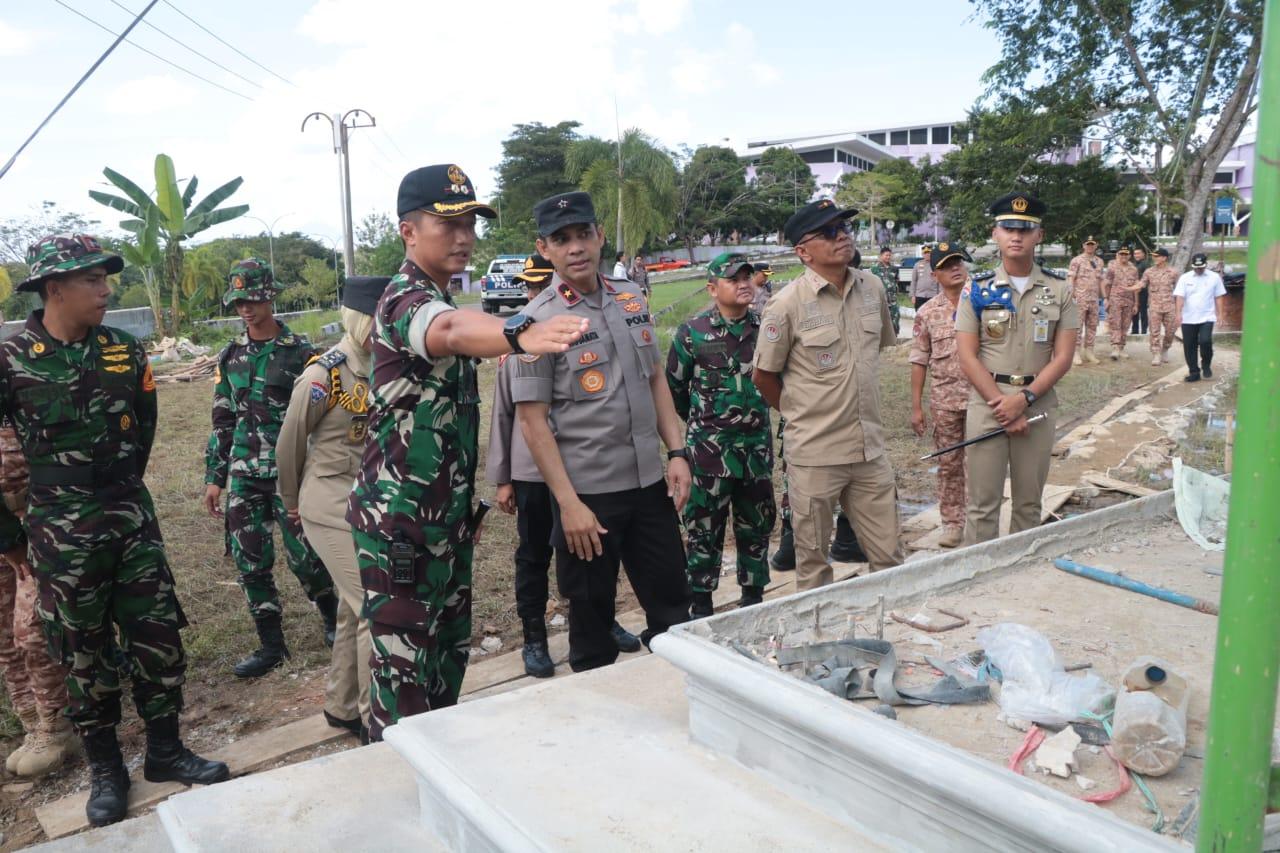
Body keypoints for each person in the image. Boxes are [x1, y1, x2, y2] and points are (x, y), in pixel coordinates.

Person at [348, 165, 587, 742]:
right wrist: (517, 332)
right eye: (447, 222)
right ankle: (408, 800)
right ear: (408, 231)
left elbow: (459, 322)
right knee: (404, 676)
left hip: (442, 522)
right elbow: (451, 330)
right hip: (400, 528)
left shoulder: (439, 293)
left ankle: (442, 781)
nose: (464, 236)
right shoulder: (406, 298)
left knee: (445, 665)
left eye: (471, 223)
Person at [0, 235, 228, 826]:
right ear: (54, 289)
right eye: (92, 281)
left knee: (158, 638)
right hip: (58, 532)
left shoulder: (125, 352)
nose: (106, 290)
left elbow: (143, 430)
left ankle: (165, 750)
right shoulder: (11, 359)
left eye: (106, 279)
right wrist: (12, 538)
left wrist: (118, 491)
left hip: (129, 518)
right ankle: (107, 769)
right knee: (83, 654)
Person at [511, 191, 692, 671]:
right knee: (592, 630)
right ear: (543, 248)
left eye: (584, 234)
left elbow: (655, 379)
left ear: (600, 236)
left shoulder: (629, 298)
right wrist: (568, 505)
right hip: (589, 497)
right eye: (561, 239)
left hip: (649, 485)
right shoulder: (535, 322)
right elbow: (532, 423)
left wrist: (677, 452)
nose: (576, 248)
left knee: (674, 609)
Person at [488, 254, 642, 678]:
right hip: (533, 473)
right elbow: (504, 414)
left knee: (595, 556)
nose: (535, 297)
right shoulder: (519, 343)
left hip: (580, 469)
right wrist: (503, 478)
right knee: (534, 554)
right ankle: (535, 638)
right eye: (530, 290)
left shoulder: (583, 328)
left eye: (541, 287)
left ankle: (601, 622)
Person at [752, 200, 903, 592]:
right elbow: (764, 375)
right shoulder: (785, 305)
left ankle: (886, 634)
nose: (843, 236)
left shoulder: (871, 288)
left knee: (890, 558)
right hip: (816, 455)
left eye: (844, 228)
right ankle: (818, 642)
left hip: (870, 451)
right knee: (814, 566)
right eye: (829, 232)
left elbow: (874, 354)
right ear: (803, 251)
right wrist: (798, 412)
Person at [202, 259, 338, 679]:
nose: (246, 308)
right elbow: (223, 418)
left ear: (271, 297)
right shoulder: (230, 356)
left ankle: (334, 621)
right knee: (250, 562)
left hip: (290, 474)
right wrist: (214, 477)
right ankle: (271, 644)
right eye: (239, 301)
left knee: (306, 557)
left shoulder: (303, 353)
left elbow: (327, 417)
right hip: (244, 474)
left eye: (254, 299)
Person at [276, 276, 390, 743]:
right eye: (382, 319)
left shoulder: (384, 363)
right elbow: (289, 443)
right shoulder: (325, 374)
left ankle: (342, 706)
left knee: (351, 607)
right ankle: (372, 720)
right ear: (363, 319)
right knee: (372, 606)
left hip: (366, 498)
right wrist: (291, 504)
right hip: (327, 502)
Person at [955, 194, 1078, 545]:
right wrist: (1003, 406)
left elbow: (1063, 356)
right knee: (982, 505)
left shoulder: (1059, 290)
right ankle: (976, 580)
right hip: (987, 404)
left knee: (1028, 503)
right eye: (1008, 228)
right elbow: (967, 356)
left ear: (1039, 235)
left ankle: (1019, 577)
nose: (1016, 236)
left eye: (1026, 229)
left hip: (1036, 405)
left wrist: (1022, 401)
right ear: (995, 233)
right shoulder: (976, 290)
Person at [666, 253, 775, 617]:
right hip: (709, 456)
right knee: (703, 532)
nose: (746, 283)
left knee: (756, 527)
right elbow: (675, 391)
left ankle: (753, 599)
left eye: (748, 276)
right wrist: (705, 425)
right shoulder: (692, 333)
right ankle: (701, 604)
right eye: (734, 278)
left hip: (756, 453)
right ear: (713, 289)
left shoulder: (765, 329)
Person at [0, 424, 74, 778]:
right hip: (3, 529)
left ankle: (56, 725)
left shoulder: (16, 375)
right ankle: (32, 724)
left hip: (37, 518)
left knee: (31, 630)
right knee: (4, 636)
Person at [909, 243, 974, 549]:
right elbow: (919, 359)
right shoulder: (927, 313)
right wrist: (916, 408)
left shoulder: (985, 301)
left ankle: (978, 520)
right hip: (945, 400)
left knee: (981, 463)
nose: (955, 268)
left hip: (981, 398)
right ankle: (952, 523)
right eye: (947, 265)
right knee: (949, 463)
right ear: (935, 274)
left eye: (958, 262)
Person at [1174, 252, 1227, 383]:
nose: (1198, 269)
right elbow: (1180, 297)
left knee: (1205, 341)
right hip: (1188, 317)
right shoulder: (1185, 278)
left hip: (1207, 317)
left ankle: (1206, 364)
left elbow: (1219, 297)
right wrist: (1178, 314)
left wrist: (1220, 315)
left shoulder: (1214, 277)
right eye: (1196, 267)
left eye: (1201, 267)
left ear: (1206, 264)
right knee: (1189, 345)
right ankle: (1194, 372)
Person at [1067, 236, 1104, 365]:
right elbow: (1071, 278)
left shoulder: (1099, 261)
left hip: (1094, 299)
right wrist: (1071, 293)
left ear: (1096, 246)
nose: (1090, 246)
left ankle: (1089, 351)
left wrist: (1104, 297)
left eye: (1092, 244)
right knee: (1078, 326)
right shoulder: (1076, 260)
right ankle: (1075, 352)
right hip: (1080, 297)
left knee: (1093, 325)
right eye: (1088, 244)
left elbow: (1100, 280)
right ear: (1083, 246)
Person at [1142, 248, 1179, 366]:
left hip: (1170, 306)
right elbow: (1142, 283)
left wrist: (1180, 309)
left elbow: (1180, 291)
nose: (1154, 258)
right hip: (1154, 306)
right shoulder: (1149, 271)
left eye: (1157, 256)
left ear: (1164, 258)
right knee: (1154, 331)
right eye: (1154, 256)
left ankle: (1165, 349)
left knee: (1171, 331)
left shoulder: (1173, 272)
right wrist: (1130, 288)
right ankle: (1156, 354)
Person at [1102, 246, 1141, 359]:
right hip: (1115, 300)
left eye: (1126, 254)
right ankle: (1115, 348)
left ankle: (1121, 348)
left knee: (1125, 325)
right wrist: (1106, 299)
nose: (1124, 256)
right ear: (1118, 255)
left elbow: (1136, 287)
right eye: (1121, 254)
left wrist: (1136, 303)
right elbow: (1106, 284)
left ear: (1129, 256)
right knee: (1115, 324)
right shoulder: (1112, 268)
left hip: (1129, 301)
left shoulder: (1133, 269)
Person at [869, 245, 900, 336]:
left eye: (889, 255)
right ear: (881, 256)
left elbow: (896, 281)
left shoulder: (894, 269)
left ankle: (894, 337)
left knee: (895, 318)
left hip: (892, 299)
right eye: (886, 255)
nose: (888, 257)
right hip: (880, 299)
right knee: (880, 319)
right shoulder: (874, 269)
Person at [910, 245, 939, 310]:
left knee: (932, 316)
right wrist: (913, 296)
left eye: (929, 253)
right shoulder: (917, 265)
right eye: (925, 253)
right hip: (919, 295)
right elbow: (914, 281)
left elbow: (940, 282)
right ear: (922, 254)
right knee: (919, 316)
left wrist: (940, 295)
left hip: (933, 295)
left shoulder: (936, 265)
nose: (927, 254)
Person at [1131, 247, 1150, 335]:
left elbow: (1147, 279)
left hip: (1143, 291)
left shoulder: (1146, 264)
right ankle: (1135, 330)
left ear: (1143, 254)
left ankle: (1143, 330)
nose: (1136, 255)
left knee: (1143, 311)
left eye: (1138, 253)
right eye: (1135, 254)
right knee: (1134, 311)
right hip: (1133, 291)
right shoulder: (1133, 264)